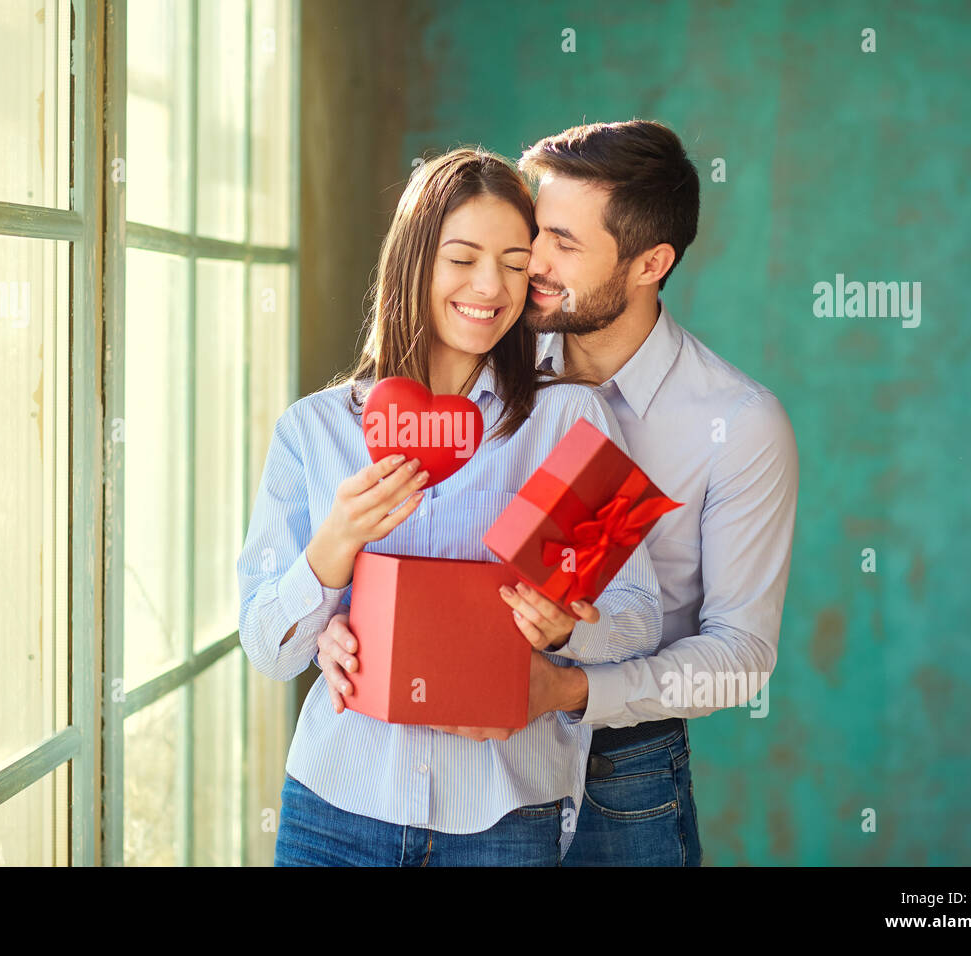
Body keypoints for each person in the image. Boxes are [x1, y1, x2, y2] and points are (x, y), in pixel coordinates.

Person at [316, 120, 800, 866]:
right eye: (536, 233)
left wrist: (567, 690)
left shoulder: (738, 424)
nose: (529, 263)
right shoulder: (488, 365)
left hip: (624, 773)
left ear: (650, 263)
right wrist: (337, 621)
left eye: (564, 245)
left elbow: (740, 657)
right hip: (485, 772)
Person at [236, 148, 665, 867]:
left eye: (515, 260)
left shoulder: (567, 424)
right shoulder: (315, 430)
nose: (490, 286)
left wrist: (564, 635)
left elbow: (640, 616)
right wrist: (331, 555)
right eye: (461, 258)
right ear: (412, 263)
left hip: (503, 823)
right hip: (335, 811)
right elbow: (267, 649)